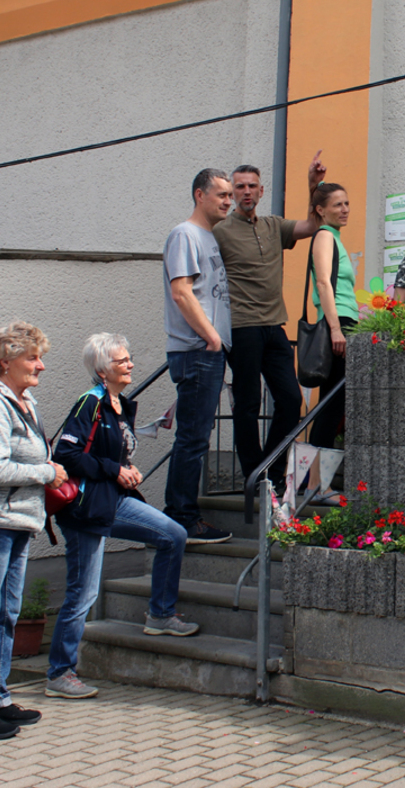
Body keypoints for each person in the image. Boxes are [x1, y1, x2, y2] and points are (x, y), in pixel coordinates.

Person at [46, 334, 198, 700]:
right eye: (121, 361)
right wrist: (115, 470)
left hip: (112, 499)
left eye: (129, 359)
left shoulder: (118, 404)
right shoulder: (90, 403)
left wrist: (126, 469)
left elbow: (113, 453)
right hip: (86, 508)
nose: (130, 365)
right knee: (83, 593)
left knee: (173, 535)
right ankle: (60, 673)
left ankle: (160, 615)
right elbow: (66, 455)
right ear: (102, 371)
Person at [0, 321, 68, 740]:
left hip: (19, 518)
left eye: (40, 357)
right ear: (6, 361)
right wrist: (48, 473)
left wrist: (45, 469)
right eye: (32, 358)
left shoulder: (24, 400)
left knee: (7, 613)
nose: (41, 366)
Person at [213, 155, 325, 490]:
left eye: (252, 186)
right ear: (232, 193)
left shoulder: (274, 226)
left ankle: (271, 471)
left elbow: (312, 226)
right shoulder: (220, 231)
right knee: (247, 404)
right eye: (240, 187)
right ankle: (254, 476)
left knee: (291, 400)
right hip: (241, 327)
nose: (246, 192)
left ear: (261, 191)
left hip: (275, 326)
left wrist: (313, 185)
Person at [163, 168, 234, 544]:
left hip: (206, 351)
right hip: (197, 351)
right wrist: (211, 336)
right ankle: (182, 519)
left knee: (196, 438)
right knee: (192, 439)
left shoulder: (208, 237)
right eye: (221, 194)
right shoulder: (185, 235)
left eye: (230, 196)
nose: (228, 201)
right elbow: (181, 292)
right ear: (199, 195)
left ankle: (183, 516)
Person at [305, 185, 358, 496]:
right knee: (331, 405)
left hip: (344, 321)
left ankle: (315, 484)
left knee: (333, 405)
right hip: (336, 323)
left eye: (347, 203)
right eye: (337, 204)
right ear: (321, 210)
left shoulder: (335, 237)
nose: (345, 209)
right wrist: (336, 329)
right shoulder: (325, 236)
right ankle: (316, 485)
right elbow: (323, 283)